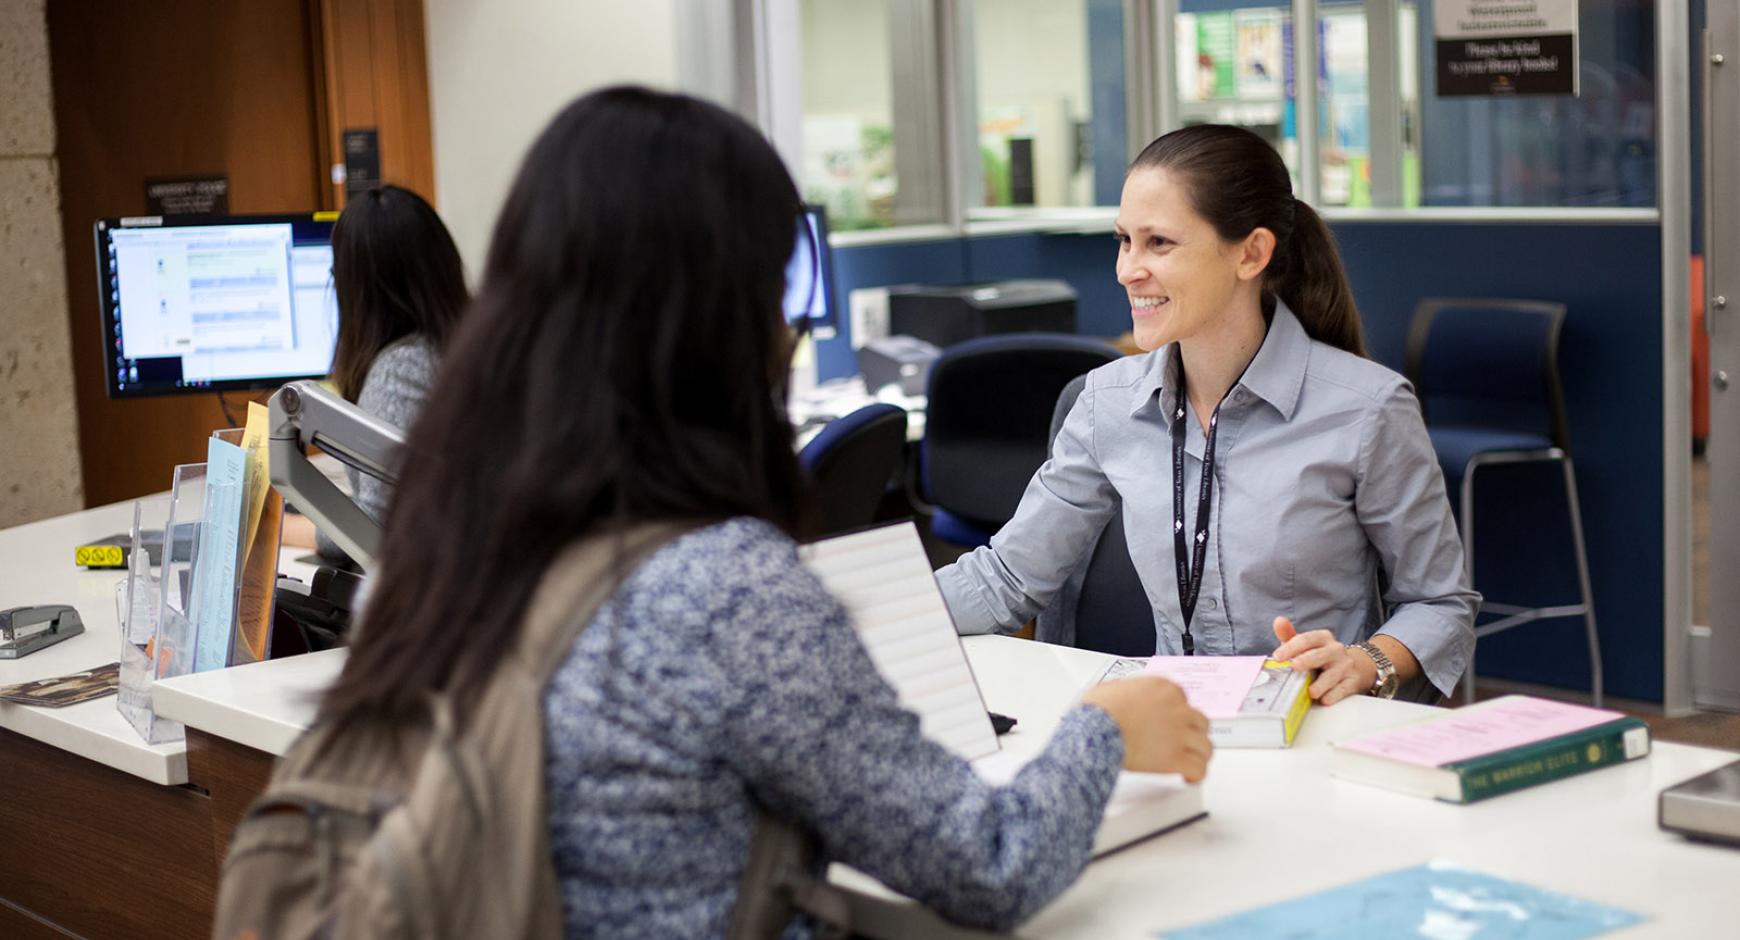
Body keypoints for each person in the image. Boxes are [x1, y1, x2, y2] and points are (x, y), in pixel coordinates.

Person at [315, 87, 1213, 936]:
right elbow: (988, 862)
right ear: (726, 317)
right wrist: (1105, 731)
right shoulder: (727, 592)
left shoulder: (431, 555)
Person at [936, 124, 1478, 705]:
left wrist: (1366, 661)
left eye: (1159, 243)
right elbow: (1007, 579)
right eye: (1124, 240)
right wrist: (858, 613)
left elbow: (1440, 602)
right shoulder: (1107, 403)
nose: (1127, 270)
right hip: (1180, 730)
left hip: (1316, 727)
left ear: (1251, 253)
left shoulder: (1367, 409)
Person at [277, 184, 469, 560]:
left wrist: (283, 528)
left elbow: (379, 528)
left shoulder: (400, 372)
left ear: (354, 286)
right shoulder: (469, 344)